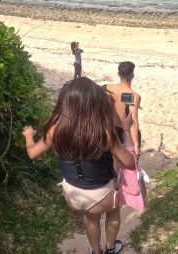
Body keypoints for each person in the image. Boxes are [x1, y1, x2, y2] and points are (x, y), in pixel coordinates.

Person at [23, 77, 133, 254]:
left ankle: (95, 251)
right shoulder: (102, 131)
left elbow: (32, 153)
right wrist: (126, 129)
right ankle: (110, 248)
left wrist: (29, 135)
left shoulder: (55, 129)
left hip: (74, 195)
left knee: (91, 218)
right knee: (114, 210)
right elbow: (128, 161)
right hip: (102, 195)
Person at [105, 61, 142, 158]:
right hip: (124, 133)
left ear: (118, 74)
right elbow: (133, 121)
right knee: (127, 166)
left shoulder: (106, 88)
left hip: (109, 130)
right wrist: (136, 145)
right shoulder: (133, 95)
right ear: (132, 75)